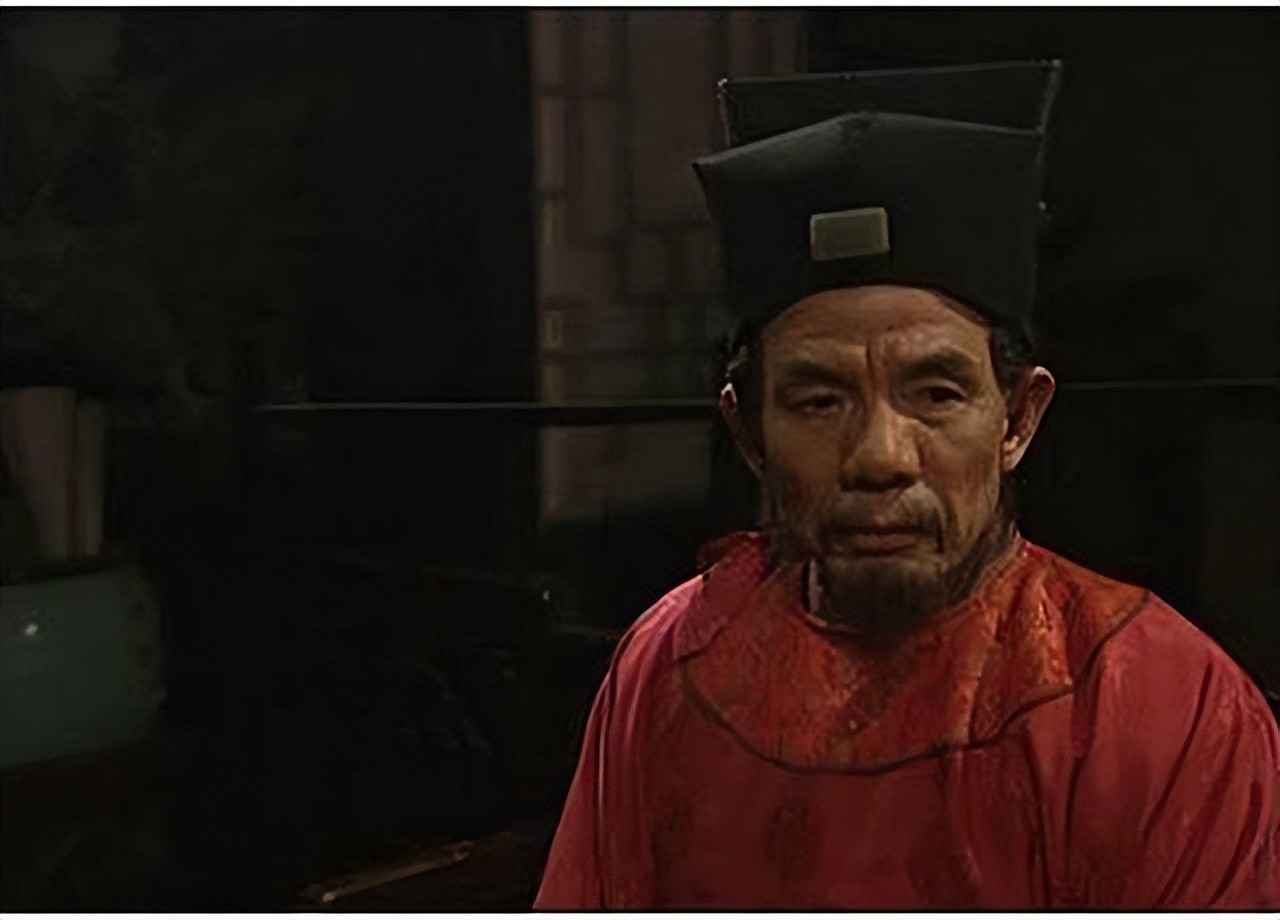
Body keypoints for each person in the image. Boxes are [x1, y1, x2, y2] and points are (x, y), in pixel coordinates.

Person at [534, 61, 1280, 909]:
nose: (880, 456)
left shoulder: (1152, 699)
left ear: (1017, 418)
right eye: (819, 402)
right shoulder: (670, 669)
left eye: (935, 394)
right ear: (749, 435)